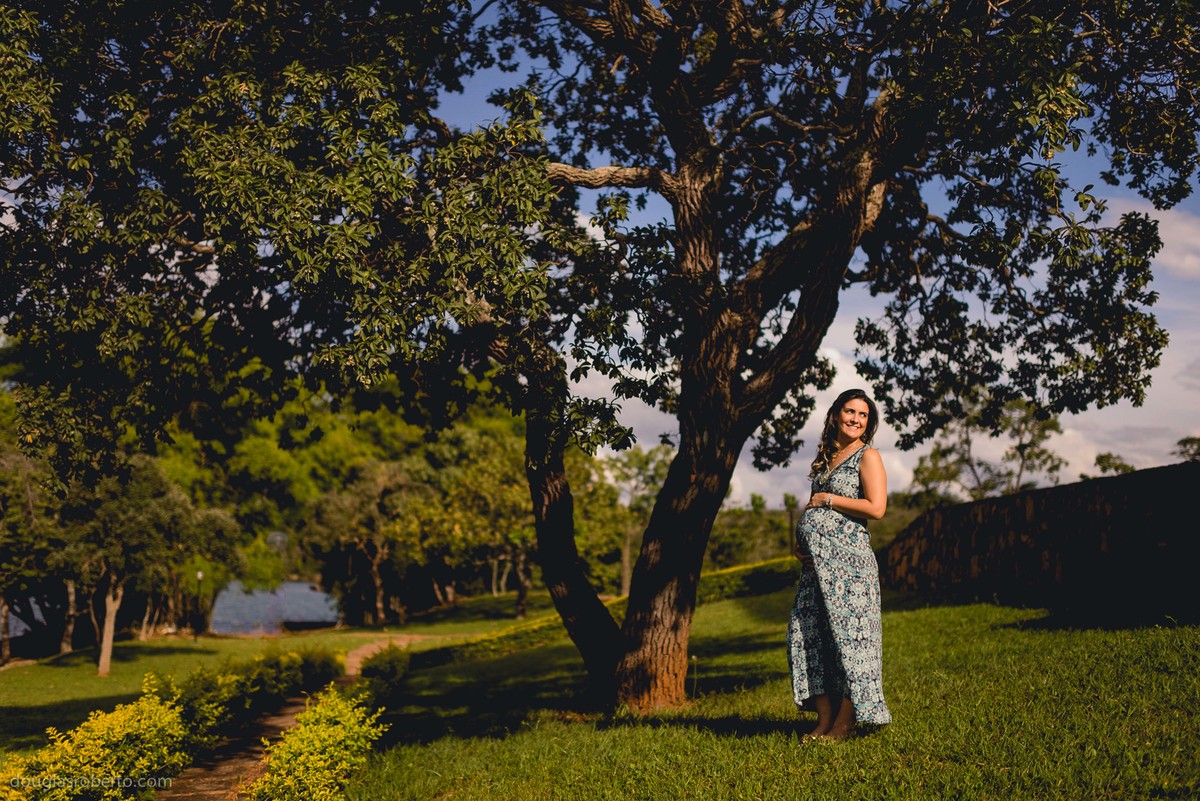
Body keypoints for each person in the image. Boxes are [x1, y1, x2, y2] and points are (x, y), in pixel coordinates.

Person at [787, 388, 891, 740]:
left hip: (851, 568)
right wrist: (799, 543)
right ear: (835, 415)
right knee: (809, 637)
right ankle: (824, 719)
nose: (855, 419)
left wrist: (830, 498)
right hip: (817, 568)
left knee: (852, 642)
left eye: (863, 415)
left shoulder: (868, 456)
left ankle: (844, 724)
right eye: (850, 411)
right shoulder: (826, 458)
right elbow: (813, 506)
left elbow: (877, 508)